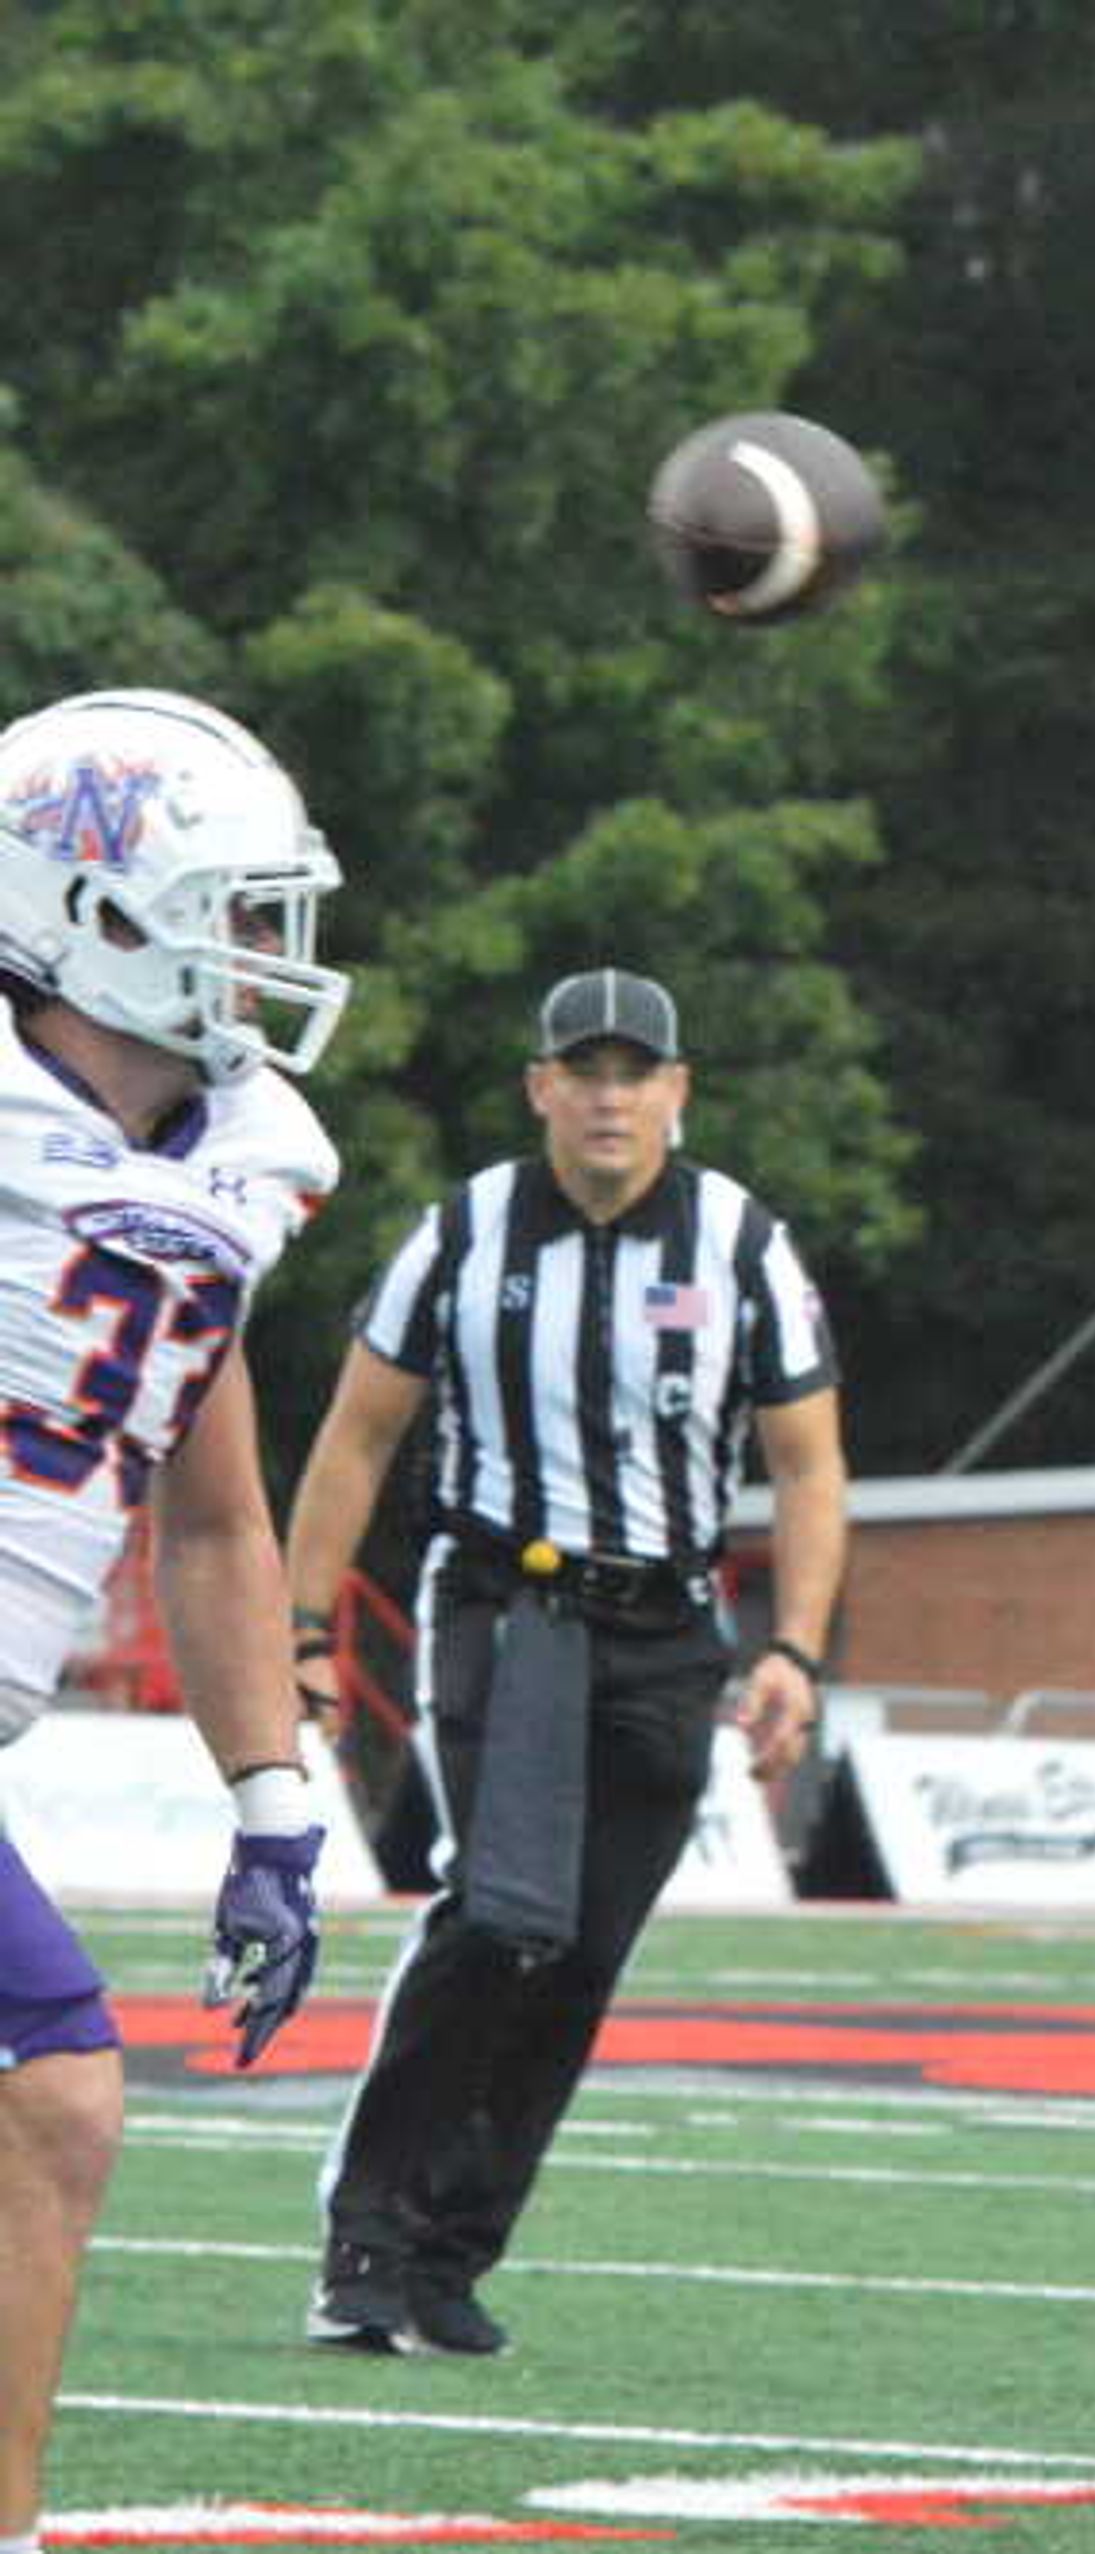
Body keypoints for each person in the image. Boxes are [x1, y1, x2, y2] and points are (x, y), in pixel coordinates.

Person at [284, 968, 846, 2356]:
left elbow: (808, 1457)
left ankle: (449, 2252)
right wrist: (302, 1625)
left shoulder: (740, 1242)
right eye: (581, 1068)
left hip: (667, 1627)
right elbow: (358, 1434)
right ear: (541, 1086)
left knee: (583, 1951)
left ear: (676, 1091)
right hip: (510, 1600)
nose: (608, 1094)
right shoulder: (464, 1232)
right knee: (505, 1914)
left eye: (633, 1070)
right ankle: (368, 2229)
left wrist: (794, 1646)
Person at [0, 691, 344, 2551]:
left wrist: (273, 1802)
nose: (271, 959)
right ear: (85, 905)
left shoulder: (244, 1161)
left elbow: (213, 1519)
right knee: (50, 2088)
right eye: (239, 909)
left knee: (52, 2101)